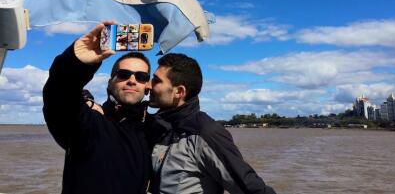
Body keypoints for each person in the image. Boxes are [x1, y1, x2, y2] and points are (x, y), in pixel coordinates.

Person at [43, 23, 152, 194]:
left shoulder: (154, 128)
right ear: (110, 82)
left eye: (141, 76)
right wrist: (75, 62)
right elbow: (60, 96)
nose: (132, 80)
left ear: (148, 86)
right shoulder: (89, 122)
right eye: (123, 74)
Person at [146, 53, 277, 194]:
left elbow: (251, 188)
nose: (148, 85)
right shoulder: (158, 126)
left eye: (156, 81)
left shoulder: (205, 132)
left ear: (179, 91)